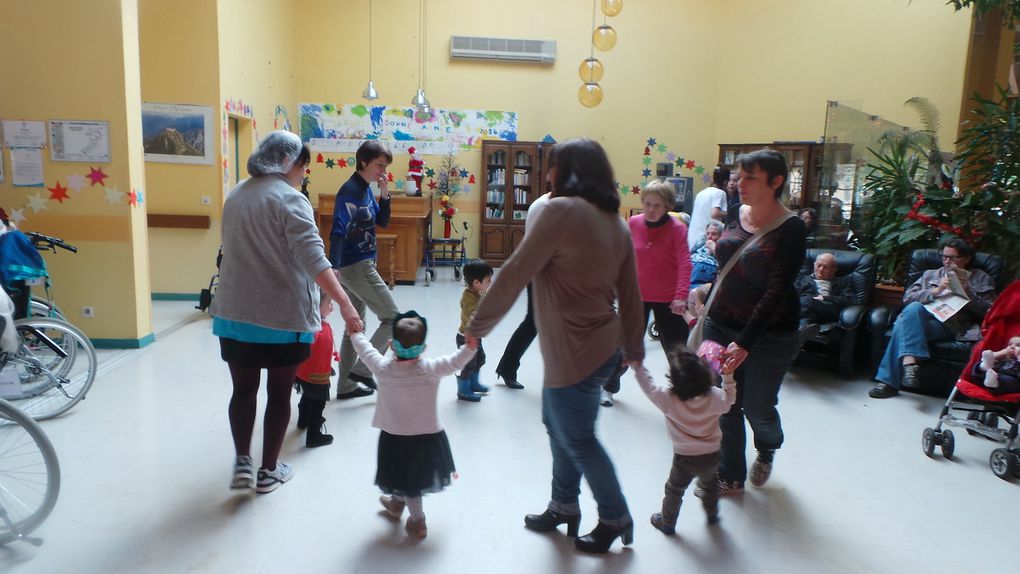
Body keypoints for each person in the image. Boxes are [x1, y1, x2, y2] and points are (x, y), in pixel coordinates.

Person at [465, 138, 645, 554]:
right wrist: (633, 348)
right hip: (601, 348)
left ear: (569, 172)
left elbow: (513, 274)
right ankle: (564, 505)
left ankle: (615, 516)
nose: (548, 175)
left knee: (578, 438)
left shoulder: (560, 212)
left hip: (577, 353)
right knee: (558, 425)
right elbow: (631, 294)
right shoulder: (614, 221)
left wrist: (479, 324)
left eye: (554, 167)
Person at [211, 130, 362, 494]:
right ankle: (267, 472)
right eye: (304, 167)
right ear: (290, 163)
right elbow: (314, 260)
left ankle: (243, 462)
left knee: (243, 391)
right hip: (282, 319)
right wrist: (344, 302)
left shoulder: (236, 195)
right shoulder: (290, 200)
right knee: (279, 394)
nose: (304, 174)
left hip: (234, 315)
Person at [697, 148, 806, 494]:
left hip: (769, 334)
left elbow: (775, 292)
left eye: (749, 178)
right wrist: (705, 291)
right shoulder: (733, 211)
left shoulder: (791, 229)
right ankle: (730, 475)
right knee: (724, 400)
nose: (738, 183)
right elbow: (728, 265)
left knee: (757, 407)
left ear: (775, 182)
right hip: (719, 323)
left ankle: (768, 444)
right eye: (738, 176)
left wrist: (744, 342)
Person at [349, 311, 478, 539]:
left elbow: (365, 350)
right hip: (426, 437)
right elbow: (456, 361)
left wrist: (355, 333)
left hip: (395, 436)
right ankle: (398, 504)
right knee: (409, 475)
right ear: (423, 348)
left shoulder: (382, 368)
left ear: (390, 345)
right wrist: (469, 347)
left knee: (409, 481)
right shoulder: (431, 369)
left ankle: (418, 521)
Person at [869, 238, 997, 399]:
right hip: (922, 321)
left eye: (953, 257)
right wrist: (935, 292)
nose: (947, 261)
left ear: (966, 258)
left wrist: (968, 294)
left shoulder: (981, 278)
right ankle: (909, 365)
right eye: (944, 257)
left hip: (952, 325)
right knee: (913, 309)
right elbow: (908, 298)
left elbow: (991, 312)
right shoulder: (930, 275)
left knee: (902, 325)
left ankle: (889, 382)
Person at [634, 341, 737, 535]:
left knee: (674, 490)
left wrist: (637, 366)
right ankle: (712, 513)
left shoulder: (668, 399)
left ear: (673, 380)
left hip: (684, 458)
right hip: (712, 454)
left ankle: (667, 522)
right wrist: (728, 375)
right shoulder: (715, 397)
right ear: (706, 375)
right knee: (710, 485)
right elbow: (730, 398)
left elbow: (649, 386)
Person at [330, 140, 398, 401]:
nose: (383, 170)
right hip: (356, 265)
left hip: (357, 263)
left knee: (355, 326)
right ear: (363, 162)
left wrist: (385, 196)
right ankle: (362, 371)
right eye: (380, 165)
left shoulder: (365, 189)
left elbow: (381, 220)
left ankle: (346, 386)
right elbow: (337, 230)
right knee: (394, 319)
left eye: (384, 166)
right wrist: (333, 266)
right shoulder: (349, 191)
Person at [494, 192, 552, 391]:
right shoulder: (543, 205)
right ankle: (508, 368)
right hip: (540, 271)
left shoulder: (566, 203)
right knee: (534, 322)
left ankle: (507, 368)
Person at [293, 290, 340, 448]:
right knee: (318, 403)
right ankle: (314, 435)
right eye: (329, 303)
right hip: (316, 374)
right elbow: (309, 341)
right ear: (315, 307)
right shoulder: (314, 328)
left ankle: (302, 419)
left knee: (307, 395)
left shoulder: (318, 322)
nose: (332, 306)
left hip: (306, 371)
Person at [456, 259, 494, 402]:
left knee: (479, 359)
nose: (490, 282)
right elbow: (472, 316)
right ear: (477, 283)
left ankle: (473, 383)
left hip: (475, 337)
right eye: (488, 280)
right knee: (469, 364)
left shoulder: (478, 293)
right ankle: (463, 390)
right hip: (465, 338)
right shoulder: (468, 298)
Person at [795, 252, 852, 327]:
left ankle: (803, 327)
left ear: (834, 270)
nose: (821, 269)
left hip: (827, 308)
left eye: (826, 267)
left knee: (806, 300)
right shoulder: (802, 279)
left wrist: (825, 298)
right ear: (814, 265)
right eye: (819, 266)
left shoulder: (841, 282)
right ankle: (805, 330)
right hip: (806, 308)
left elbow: (847, 301)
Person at [687, 166, 730, 251]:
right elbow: (714, 213)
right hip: (706, 238)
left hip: (692, 237)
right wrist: (731, 213)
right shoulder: (720, 193)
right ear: (725, 182)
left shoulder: (701, 193)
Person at [689, 220, 723, 291]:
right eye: (708, 234)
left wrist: (714, 249)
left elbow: (724, 262)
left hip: (705, 271)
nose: (709, 237)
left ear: (721, 236)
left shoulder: (723, 247)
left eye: (714, 234)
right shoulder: (700, 242)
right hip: (691, 269)